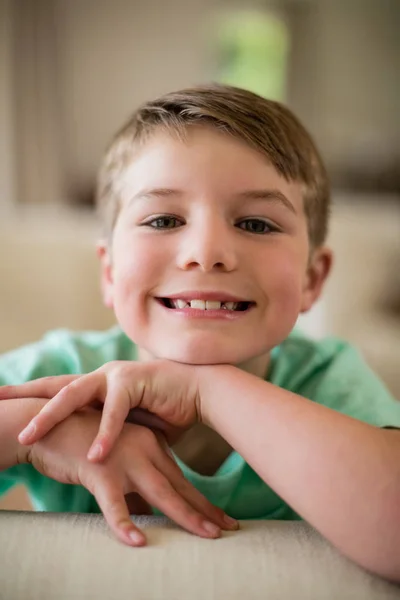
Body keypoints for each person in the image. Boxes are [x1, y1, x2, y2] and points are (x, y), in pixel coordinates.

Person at [1, 85, 400, 581]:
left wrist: (206, 389)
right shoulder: (60, 375)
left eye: (255, 224)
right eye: (164, 219)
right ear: (108, 273)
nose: (207, 251)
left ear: (311, 280)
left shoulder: (327, 381)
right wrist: (31, 434)